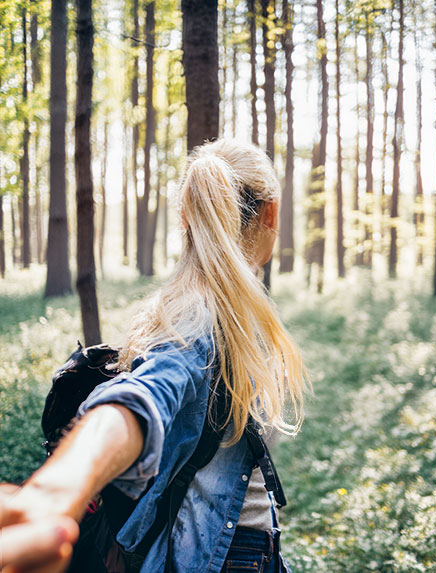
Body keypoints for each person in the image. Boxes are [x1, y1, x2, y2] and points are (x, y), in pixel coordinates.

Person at [0, 139, 308, 573]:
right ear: (271, 214)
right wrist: (53, 493)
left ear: (185, 219)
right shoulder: (199, 320)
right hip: (224, 560)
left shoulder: (209, 312)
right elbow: (142, 396)